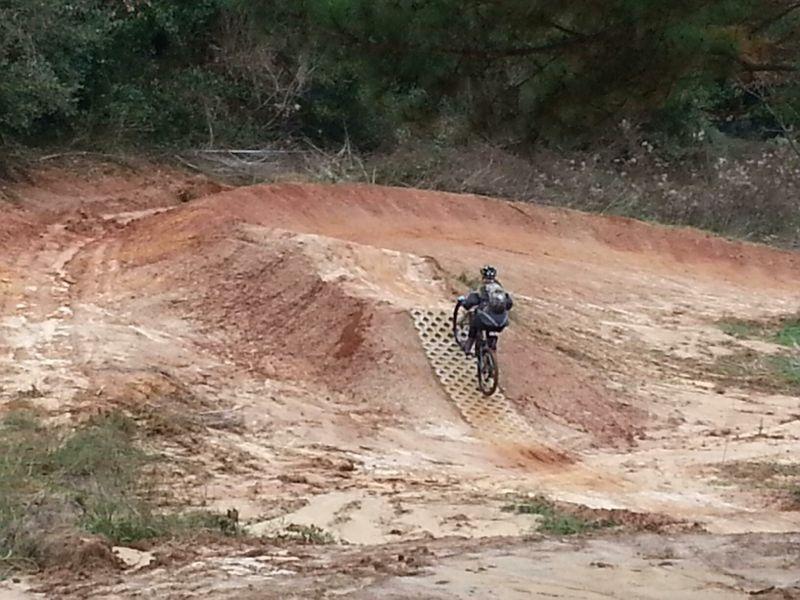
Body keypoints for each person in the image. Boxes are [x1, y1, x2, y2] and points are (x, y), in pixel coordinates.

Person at [457, 265, 513, 356]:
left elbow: (470, 303)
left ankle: (468, 346)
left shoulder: (481, 288)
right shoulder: (500, 289)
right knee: (489, 323)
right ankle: (491, 346)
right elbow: (509, 304)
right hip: (501, 321)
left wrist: (463, 302)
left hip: (486, 320)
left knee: (475, 321)